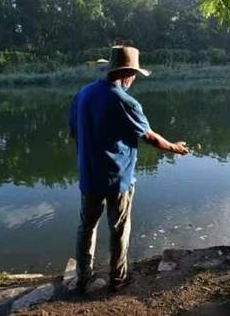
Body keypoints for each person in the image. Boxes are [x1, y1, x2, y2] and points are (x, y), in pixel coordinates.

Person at [69, 45, 189, 293]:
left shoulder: (82, 94)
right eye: (134, 75)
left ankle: (82, 277)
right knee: (119, 229)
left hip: (89, 175)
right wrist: (176, 148)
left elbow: (73, 132)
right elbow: (151, 138)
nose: (134, 80)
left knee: (86, 226)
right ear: (126, 74)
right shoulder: (126, 102)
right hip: (118, 180)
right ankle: (118, 279)